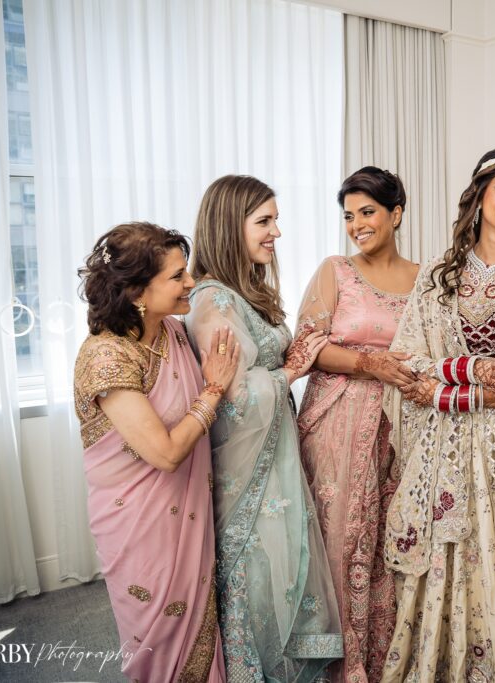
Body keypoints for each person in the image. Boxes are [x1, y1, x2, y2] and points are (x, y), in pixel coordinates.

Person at [380, 149, 495, 681]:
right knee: (446, 552)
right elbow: (406, 360)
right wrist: (471, 366)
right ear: (479, 196)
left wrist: (444, 393)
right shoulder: (439, 274)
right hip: (444, 446)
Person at [186, 175, 343, 681]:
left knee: (287, 569)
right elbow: (231, 395)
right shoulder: (214, 301)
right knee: (258, 578)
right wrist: (292, 371)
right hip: (245, 467)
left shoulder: (243, 291)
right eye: (264, 221)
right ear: (230, 226)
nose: (276, 231)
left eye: (276, 219)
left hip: (276, 450)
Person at [73, 222, 238, 681]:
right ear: (137, 291)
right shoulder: (107, 358)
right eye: (177, 276)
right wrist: (215, 390)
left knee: (202, 626)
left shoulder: (173, 333)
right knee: (156, 638)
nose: (191, 283)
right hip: (138, 524)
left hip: (187, 511)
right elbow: (165, 454)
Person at [296, 167, 419, 682]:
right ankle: (340, 667)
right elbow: (305, 345)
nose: (356, 225)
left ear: (395, 213)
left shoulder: (426, 278)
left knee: (391, 540)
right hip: (337, 422)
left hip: (400, 427)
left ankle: (386, 659)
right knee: (340, 542)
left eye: (367, 212)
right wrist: (368, 363)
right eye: (348, 215)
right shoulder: (335, 270)